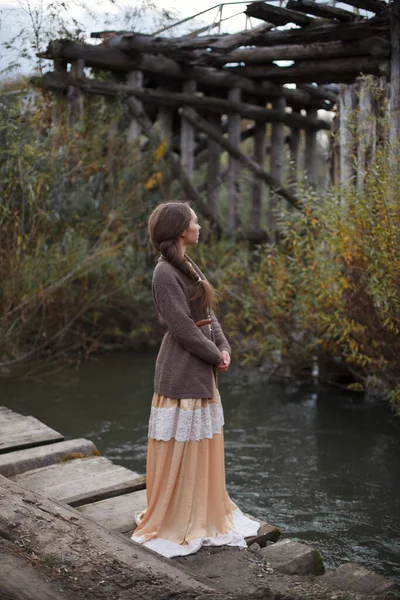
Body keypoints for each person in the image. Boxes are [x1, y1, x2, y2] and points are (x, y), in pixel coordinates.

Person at [131, 201, 259, 558]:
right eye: (195, 221)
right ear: (180, 229)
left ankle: (201, 510)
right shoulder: (164, 274)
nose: (200, 225)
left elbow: (206, 314)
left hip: (200, 367)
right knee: (181, 447)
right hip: (180, 371)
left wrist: (224, 347)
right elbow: (183, 327)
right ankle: (177, 517)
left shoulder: (186, 264)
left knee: (202, 446)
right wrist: (213, 354)